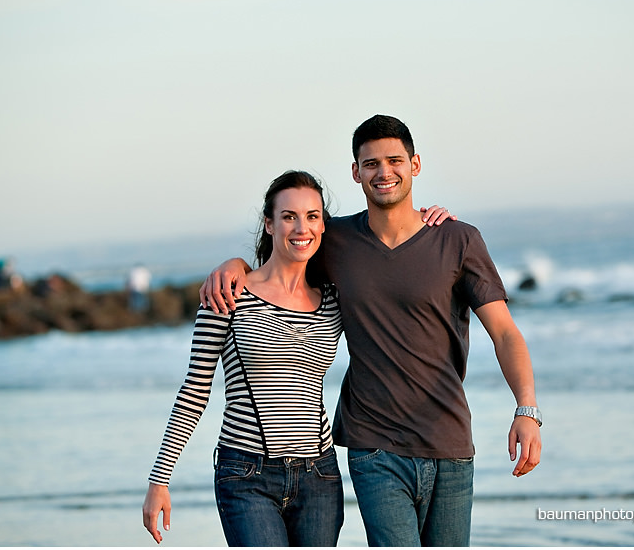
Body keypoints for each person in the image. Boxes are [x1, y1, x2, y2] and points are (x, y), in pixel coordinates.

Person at [200, 115, 542, 547]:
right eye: (371, 163)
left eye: (394, 160)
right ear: (356, 172)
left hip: (450, 443)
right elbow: (283, 262)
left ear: (415, 165)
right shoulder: (335, 239)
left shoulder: (458, 239)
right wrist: (236, 266)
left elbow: (505, 333)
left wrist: (526, 409)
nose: (384, 172)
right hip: (373, 445)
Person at [142, 171, 345, 546]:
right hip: (247, 474)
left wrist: (429, 222)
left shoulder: (333, 300)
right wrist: (159, 480)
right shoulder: (227, 295)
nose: (302, 227)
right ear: (269, 223)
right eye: (289, 216)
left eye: (312, 216)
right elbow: (195, 388)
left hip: (320, 476)